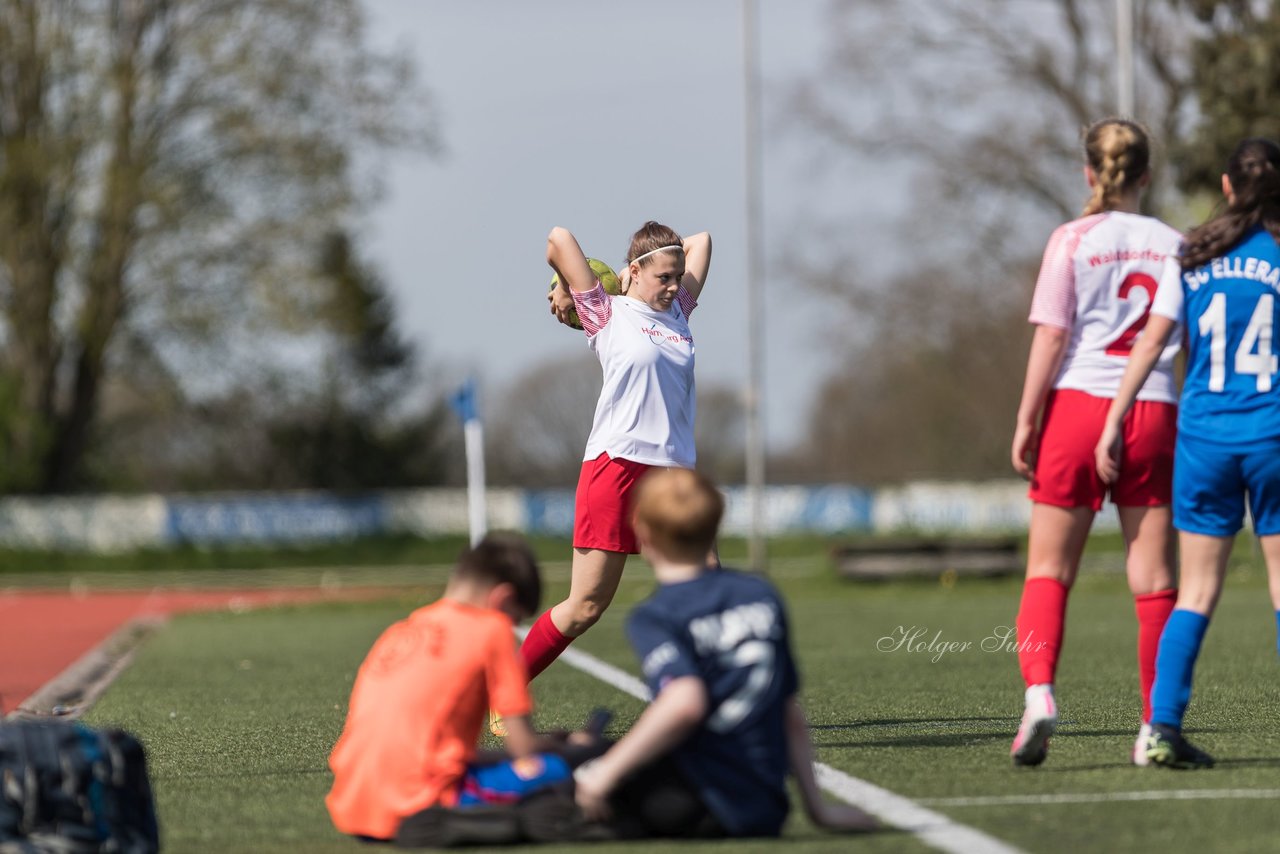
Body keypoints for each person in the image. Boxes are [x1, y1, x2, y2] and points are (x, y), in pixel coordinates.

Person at [1096, 137, 1280, 769]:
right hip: (1273, 435)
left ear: (1226, 188)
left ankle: (1160, 730)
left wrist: (1113, 419)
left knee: (1197, 590)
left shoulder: (1191, 254)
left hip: (1205, 440)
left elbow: (1151, 343)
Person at [571, 467, 878, 838]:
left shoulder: (656, 615)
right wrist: (819, 809)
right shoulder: (761, 594)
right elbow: (788, 710)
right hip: (767, 807)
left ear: (643, 533)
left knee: (571, 771)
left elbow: (684, 703)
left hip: (699, 800)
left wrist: (604, 774)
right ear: (715, 529)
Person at [1009, 118, 1183, 767]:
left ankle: (1040, 696)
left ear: (1089, 173)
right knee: (1156, 579)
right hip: (1153, 409)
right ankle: (1152, 727)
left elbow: (1051, 337)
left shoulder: (1071, 239)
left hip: (1078, 408)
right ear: (1145, 175)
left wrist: (1027, 419)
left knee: (1049, 570)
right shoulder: (1175, 242)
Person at [519, 222, 712, 686]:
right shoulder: (605, 312)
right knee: (585, 606)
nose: (672, 286)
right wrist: (570, 286)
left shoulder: (678, 313)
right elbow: (557, 239)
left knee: (708, 593)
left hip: (673, 477)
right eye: (662, 277)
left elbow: (701, 240)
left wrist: (661, 260)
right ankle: (503, 688)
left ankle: (720, 706)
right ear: (634, 272)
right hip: (616, 466)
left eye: (676, 276)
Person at [325, 533, 597, 845]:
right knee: (556, 769)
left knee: (498, 764)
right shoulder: (490, 629)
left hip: (354, 804)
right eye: (515, 619)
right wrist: (567, 746)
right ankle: (455, 817)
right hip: (416, 800)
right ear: (502, 599)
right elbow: (524, 749)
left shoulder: (400, 630)